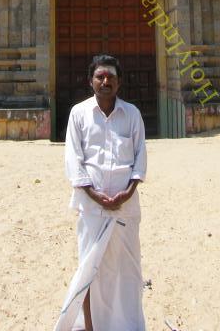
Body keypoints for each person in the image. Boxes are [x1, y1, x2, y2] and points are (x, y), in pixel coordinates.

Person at [54, 54, 147, 331]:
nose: (106, 81)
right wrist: (93, 194)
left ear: (119, 82)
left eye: (111, 77)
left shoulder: (132, 114)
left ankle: (126, 325)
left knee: (126, 269)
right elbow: (73, 158)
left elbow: (140, 157)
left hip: (125, 208)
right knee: (89, 269)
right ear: (91, 81)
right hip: (91, 207)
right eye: (100, 76)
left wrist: (127, 193)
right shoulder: (79, 113)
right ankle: (91, 326)